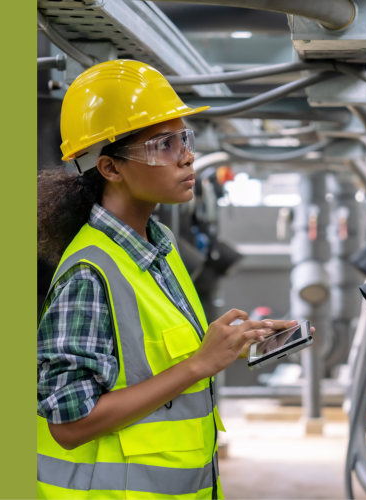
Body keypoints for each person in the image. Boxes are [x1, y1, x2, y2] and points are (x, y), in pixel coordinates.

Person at [36, 60, 314, 499]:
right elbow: (70, 425)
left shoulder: (158, 242)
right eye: (162, 144)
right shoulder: (90, 274)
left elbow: (151, 360)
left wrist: (234, 344)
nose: (186, 155)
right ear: (110, 168)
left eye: (185, 138)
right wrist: (200, 364)